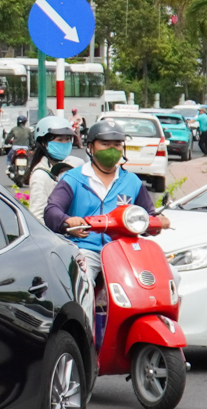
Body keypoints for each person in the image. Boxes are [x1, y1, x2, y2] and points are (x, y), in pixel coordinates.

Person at [43, 117, 158, 353]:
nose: (112, 150)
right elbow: (51, 211)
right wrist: (67, 221)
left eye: (117, 144)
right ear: (91, 146)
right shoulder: (73, 179)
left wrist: (157, 222)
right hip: (86, 248)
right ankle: (84, 345)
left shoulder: (132, 181)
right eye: (106, 144)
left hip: (124, 252)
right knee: (83, 284)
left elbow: (149, 214)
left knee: (166, 278)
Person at [25, 114, 84, 220]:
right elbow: (37, 217)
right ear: (43, 142)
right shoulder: (40, 175)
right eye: (60, 140)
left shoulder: (71, 164)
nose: (65, 143)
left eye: (67, 139)